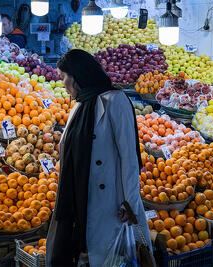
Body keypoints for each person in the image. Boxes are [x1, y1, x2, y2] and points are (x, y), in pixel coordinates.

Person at [46, 49, 154, 267]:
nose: (63, 84)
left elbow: (129, 159)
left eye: (63, 77)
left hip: (111, 205)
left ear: (76, 76)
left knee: (111, 259)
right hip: (79, 199)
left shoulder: (116, 101)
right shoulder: (79, 105)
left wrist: (130, 204)